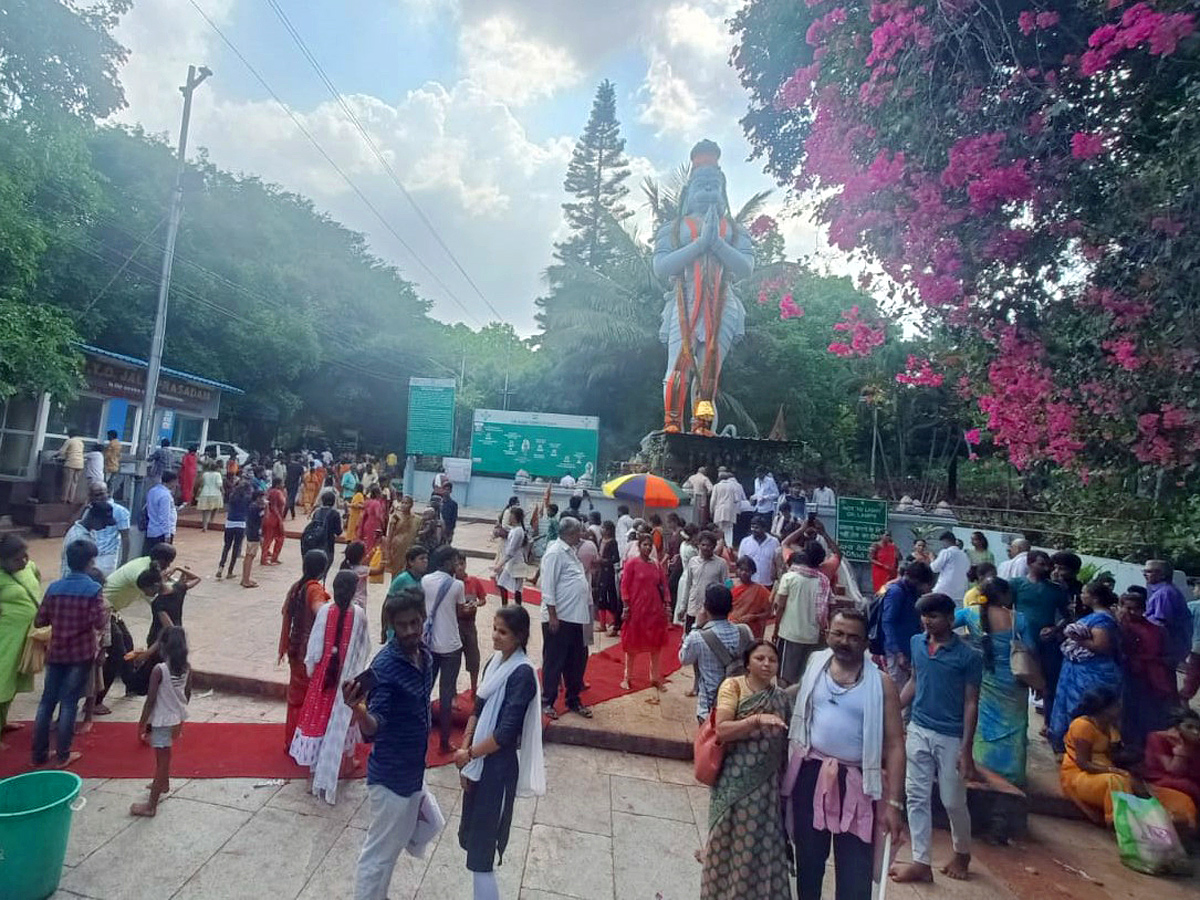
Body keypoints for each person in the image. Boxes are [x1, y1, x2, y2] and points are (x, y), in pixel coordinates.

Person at [785, 608, 907, 900]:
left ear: (866, 642)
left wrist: (894, 804)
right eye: (838, 633)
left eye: (853, 637)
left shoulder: (882, 684)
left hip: (858, 782)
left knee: (855, 873)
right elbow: (799, 696)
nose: (844, 641)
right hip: (811, 774)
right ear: (828, 634)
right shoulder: (816, 662)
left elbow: (894, 745)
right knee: (809, 864)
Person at [346, 588, 434, 900]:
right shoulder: (385, 667)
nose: (410, 631)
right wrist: (359, 711)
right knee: (378, 857)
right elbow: (375, 727)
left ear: (422, 619)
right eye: (402, 625)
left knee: (426, 826)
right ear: (391, 626)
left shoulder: (427, 657)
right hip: (390, 777)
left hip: (414, 771)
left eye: (415, 622)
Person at [454, 605, 546, 900]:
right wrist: (466, 749)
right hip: (479, 761)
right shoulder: (493, 662)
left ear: (519, 637)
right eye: (494, 628)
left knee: (483, 849)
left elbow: (505, 734)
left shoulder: (521, 674)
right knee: (473, 839)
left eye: (502, 632)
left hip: (497, 769)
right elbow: (478, 707)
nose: (495, 636)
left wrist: (469, 756)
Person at [891, 592, 982, 884]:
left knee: (952, 799)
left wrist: (966, 749)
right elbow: (915, 682)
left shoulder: (968, 656)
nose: (927, 621)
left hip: (951, 736)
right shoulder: (918, 643)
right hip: (918, 728)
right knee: (915, 796)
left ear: (950, 619)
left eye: (934, 616)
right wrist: (892, 712)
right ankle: (921, 861)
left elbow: (971, 702)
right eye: (925, 616)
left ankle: (962, 852)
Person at [701, 641, 792, 900]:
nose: (766, 664)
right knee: (725, 839)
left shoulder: (781, 697)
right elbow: (723, 729)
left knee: (760, 843)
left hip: (766, 786)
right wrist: (755, 720)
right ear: (748, 662)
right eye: (760, 658)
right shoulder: (733, 687)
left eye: (772, 660)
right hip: (733, 782)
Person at [1060, 687, 1196, 832]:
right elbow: (1084, 763)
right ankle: (1123, 826)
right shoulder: (1083, 725)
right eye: (1116, 705)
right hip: (1079, 775)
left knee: (1179, 799)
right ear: (1104, 708)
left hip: (1108, 772)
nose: (1119, 708)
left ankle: (1173, 826)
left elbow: (1117, 757)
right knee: (1116, 782)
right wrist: (1117, 771)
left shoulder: (1111, 728)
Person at [289, 570, 372, 803]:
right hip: (346, 684)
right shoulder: (360, 615)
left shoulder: (325, 611)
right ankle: (342, 766)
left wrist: (313, 671)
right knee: (341, 722)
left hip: (323, 680)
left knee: (318, 722)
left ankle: (313, 775)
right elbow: (364, 649)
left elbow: (314, 648)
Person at [32, 538, 108, 768]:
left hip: (56, 652)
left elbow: (40, 620)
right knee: (69, 703)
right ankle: (63, 754)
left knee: (47, 703)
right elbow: (99, 622)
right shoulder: (93, 589)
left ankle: (39, 755)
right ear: (89, 562)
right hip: (80, 653)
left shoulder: (54, 588)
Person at [953, 577, 1033, 787]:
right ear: (1005, 595)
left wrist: (962, 644)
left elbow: (944, 623)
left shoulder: (970, 614)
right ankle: (1011, 777)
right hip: (1015, 681)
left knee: (982, 723)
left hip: (984, 678)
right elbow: (1031, 649)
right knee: (1014, 726)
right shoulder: (1019, 619)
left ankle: (982, 767)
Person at [1049, 581, 1121, 753]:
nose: (1081, 595)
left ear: (1094, 598)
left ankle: (1079, 745)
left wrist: (1077, 639)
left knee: (1082, 706)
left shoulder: (1102, 619)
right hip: (1080, 669)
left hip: (1090, 671)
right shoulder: (1097, 615)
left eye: (1084, 593)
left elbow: (1100, 645)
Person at [129, 625, 190, 817]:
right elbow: (187, 694)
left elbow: (151, 699)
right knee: (164, 752)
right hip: (177, 718)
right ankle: (164, 783)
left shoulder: (159, 669)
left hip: (162, 719)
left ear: (164, 647)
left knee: (163, 759)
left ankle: (151, 805)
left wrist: (142, 722)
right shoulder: (187, 668)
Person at [539, 517, 593, 719]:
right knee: (554, 661)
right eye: (579, 531)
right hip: (559, 618)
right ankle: (547, 701)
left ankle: (573, 699)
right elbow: (548, 586)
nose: (582, 534)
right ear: (570, 533)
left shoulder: (570, 552)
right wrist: (553, 616)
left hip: (577, 618)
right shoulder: (554, 553)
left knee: (577, 661)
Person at [1011, 549, 1071, 729]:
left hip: (1047, 642)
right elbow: (1004, 608)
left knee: (1049, 684)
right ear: (1029, 564)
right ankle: (1017, 724)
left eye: (1047, 565)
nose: (1045, 568)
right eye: (1041, 564)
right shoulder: (1016, 584)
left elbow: (1067, 616)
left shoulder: (1056, 590)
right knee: (1018, 681)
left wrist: (1055, 628)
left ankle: (1049, 724)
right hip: (1021, 642)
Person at [280, 550, 331, 749]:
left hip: (295, 648)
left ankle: (291, 740)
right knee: (307, 697)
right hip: (308, 653)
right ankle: (302, 741)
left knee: (295, 696)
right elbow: (322, 612)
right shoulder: (314, 590)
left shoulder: (297, 586)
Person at [679, 584, 753, 721]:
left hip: (710, 708)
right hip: (741, 704)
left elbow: (683, 658)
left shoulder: (698, 637)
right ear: (731, 608)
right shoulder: (745, 631)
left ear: (705, 608)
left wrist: (696, 626)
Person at [1117, 587, 1176, 758]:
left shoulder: (1157, 630)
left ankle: (1146, 749)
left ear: (1143, 609)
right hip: (1125, 675)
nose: (1131, 612)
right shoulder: (1117, 627)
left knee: (1148, 714)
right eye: (1127, 608)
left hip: (1150, 677)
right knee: (1125, 713)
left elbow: (1167, 654)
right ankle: (1128, 748)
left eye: (1136, 608)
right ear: (1120, 607)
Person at [422, 546, 466, 754]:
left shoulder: (425, 580)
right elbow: (459, 612)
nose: (458, 566)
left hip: (430, 643)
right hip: (451, 644)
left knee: (425, 690)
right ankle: (445, 741)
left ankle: (421, 732)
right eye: (456, 562)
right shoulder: (457, 585)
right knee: (447, 694)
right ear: (447, 562)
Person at [619, 534, 671, 695]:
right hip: (636, 609)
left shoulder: (656, 564)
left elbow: (664, 586)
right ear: (639, 546)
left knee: (656, 644)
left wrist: (667, 604)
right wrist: (626, 606)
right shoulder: (632, 563)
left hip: (654, 610)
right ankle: (627, 677)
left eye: (650, 545)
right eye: (645, 545)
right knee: (632, 644)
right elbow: (624, 586)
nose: (648, 548)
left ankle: (654, 677)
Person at [772, 543, 831, 687]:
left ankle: (786, 707)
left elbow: (779, 606)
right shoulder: (823, 581)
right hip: (812, 636)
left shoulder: (789, 578)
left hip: (789, 634)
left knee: (784, 677)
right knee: (806, 678)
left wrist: (776, 630)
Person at [0, 535, 39, 740]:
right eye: (17, 559)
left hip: (26, 638)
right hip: (5, 640)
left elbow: (36, 582)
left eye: (25, 555)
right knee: (1, 684)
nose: (23, 561)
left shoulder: (29, 568)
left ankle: (3, 722)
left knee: (13, 682)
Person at [880, 561, 935, 697]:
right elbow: (888, 622)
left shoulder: (911, 592)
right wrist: (897, 653)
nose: (927, 588)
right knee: (898, 691)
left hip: (909, 647)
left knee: (909, 688)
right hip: (898, 650)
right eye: (925, 585)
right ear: (917, 581)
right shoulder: (896, 592)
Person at [1143, 709, 1200, 812]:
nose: (1195, 732)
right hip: (1160, 780)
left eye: (1198, 728)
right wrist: (1181, 751)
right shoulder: (1157, 738)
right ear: (1177, 727)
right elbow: (1173, 771)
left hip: (1188, 779)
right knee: (1190, 787)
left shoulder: (1195, 744)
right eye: (1189, 727)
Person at [1144, 559, 1192, 668]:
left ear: (1162, 575)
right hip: (1170, 649)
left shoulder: (1164, 593)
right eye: (1144, 571)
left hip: (1166, 650)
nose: (1145, 574)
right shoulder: (1164, 591)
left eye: (1149, 571)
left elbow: (1160, 623)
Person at [62, 496, 125, 577]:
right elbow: (77, 570)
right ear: (94, 518)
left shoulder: (87, 532)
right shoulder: (79, 538)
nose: (105, 526)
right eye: (103, 523)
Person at [685, 531, 728, 637]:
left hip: (711, 609)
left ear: (714, 546)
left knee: (709, 638)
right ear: (698, 545)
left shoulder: (721, 563)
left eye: (709, 545)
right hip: (693, 606)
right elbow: (688, 584)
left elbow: (727, 585)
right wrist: (683, 606)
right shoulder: (692, 561)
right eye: (703, 545)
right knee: (689, 636)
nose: (705, 548)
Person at [456, 556, 486, 697]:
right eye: (457, 565)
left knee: (474, 658)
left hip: (470, 625)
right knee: (454, 660)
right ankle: (453, 692)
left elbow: (483, 599)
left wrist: (476, 604)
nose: (460, 568)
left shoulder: (473, 582)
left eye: (462, 564)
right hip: (456, 625)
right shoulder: (452, 584)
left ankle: (474, 689)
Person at [730, 556, 772, 641]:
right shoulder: (729, 585)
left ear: (753, 572)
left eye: (747, 570)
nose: (744, 573)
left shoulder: (760, 590)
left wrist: (754, 616)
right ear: (736, 569)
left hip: (752, 630)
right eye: (741, 569)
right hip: (731, 627)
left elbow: (768, 613)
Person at [215, 479, 250, 581]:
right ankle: (230, 571)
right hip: (241, 523)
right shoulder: (247, 498)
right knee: (236, 548)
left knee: (226, 547)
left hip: (229, 523)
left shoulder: (232, 496)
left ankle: (221, 567)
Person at [494, 506, 528, 607]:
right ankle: (513, 607)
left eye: (510, 515)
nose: (509, 517)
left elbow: (511, 551)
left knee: (506, 585)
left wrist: (499, 564)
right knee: (515, 587)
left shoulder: (518, 531)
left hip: (515, 562)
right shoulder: (515, 530)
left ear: (514, 517)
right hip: (513, 561)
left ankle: (507, 606)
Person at [737, 515, 780, 590]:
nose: (753, 530)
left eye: (757, 528)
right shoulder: (745, 542)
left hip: (767, 582)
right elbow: (740, 562)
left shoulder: (774, 542)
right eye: (752, 527)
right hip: (749, 582)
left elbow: (777, 562)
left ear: (764, 528)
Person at [596, 521, 622, 635]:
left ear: (609, 530)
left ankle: (613, 621)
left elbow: (616, 558)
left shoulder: (613, 543)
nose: (602, 530)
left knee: (609, 595)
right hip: (601, 571)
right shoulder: (601, 540)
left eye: (604, 528)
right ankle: (602, 624)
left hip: (608, 572)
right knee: (600, 595)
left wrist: (605, 561)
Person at [384, 495, 420, 581]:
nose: (403, 505)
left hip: (409, 548)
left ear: (411, 505)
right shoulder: (396, 517)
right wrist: (387, 551)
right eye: (402, 503)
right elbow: (390, 535)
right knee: (396, 572)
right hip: (397, 549)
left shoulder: (416, 519)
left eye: (406, 503)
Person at [342, 541, 386, 610]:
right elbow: (379, 571)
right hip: (359, 602)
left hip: (349, 601)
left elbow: (365, 560)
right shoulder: (362, 570)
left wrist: (375, 547)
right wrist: (384, 554)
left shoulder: (347, 567)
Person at [709, 470, 747, 548]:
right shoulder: (733, 486)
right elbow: (737, 499)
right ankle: (729, 547)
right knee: (729, 530)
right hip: (730, 511)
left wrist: (711, 510)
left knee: (719, 529)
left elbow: (713, 500)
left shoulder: (716, 486)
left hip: (719, 510)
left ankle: (719, 546)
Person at [930, 530, 970, 604]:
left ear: (945, 541)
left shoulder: (946, 552)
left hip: (944, 590)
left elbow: (934, 568)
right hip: (960, 592)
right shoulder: (964, 555)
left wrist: (932, 559)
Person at [311, 491, 344, 579]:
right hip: (328, 545)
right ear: (333, 502)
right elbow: (338, 532)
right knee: (324, 569)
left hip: (314, 544)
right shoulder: (335, 514)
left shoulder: (316, 512)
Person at [144, 470, 178, 550]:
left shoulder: (152, 491)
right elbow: (164, 516)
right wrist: (167, 534)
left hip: (152, 529)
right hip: (161, 532)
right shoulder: (165, 496)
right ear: (172, 481)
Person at [261, 477, 287, 566]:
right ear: (278, 484)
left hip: (268, 517)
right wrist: (280, 519)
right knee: (279, 537)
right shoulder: (277, 492)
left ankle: (265, 558)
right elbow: (277, 505)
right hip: (275, 517)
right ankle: (273, 558)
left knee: (268, 539)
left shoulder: (269, 491)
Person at [56, 429, 86, 502]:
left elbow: (62, 452)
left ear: (70, 434)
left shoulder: (69, 441)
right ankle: (71, 499)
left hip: (71, 463)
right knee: (74, 482)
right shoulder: (80, 442)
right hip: (80, 464)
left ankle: (64, 499)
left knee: (67, 481)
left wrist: (55, 455)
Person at [195, 461, 224, 531]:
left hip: (205, 493)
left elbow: (201, 484)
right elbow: (219, 484)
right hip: (215, 493)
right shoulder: (217, 474)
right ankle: (211, 519)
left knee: (205, 510)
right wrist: (223, 491)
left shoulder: (205, 474)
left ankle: (205, 526)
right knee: (216, 507)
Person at [359, 486, 387, 558]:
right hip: (374, 524)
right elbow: (378, 515)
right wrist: (383, 524)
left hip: (367, 523)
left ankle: (364, 556)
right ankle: (370, 558)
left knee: (367, 542)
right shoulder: (377, 503)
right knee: (373, 543)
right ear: (377, 494)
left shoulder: (368, 502)